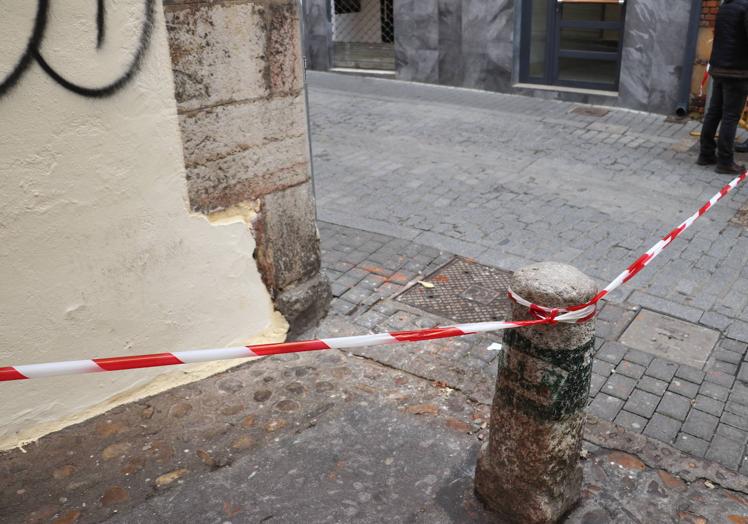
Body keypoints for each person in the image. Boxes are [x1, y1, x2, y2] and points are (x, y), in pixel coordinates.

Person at [697, 0, 748, 174]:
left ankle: (706, 154)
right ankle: (725, 161)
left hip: (719, 67)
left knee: (714, 112)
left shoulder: (725, 5)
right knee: (730, 116)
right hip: (737, 71)